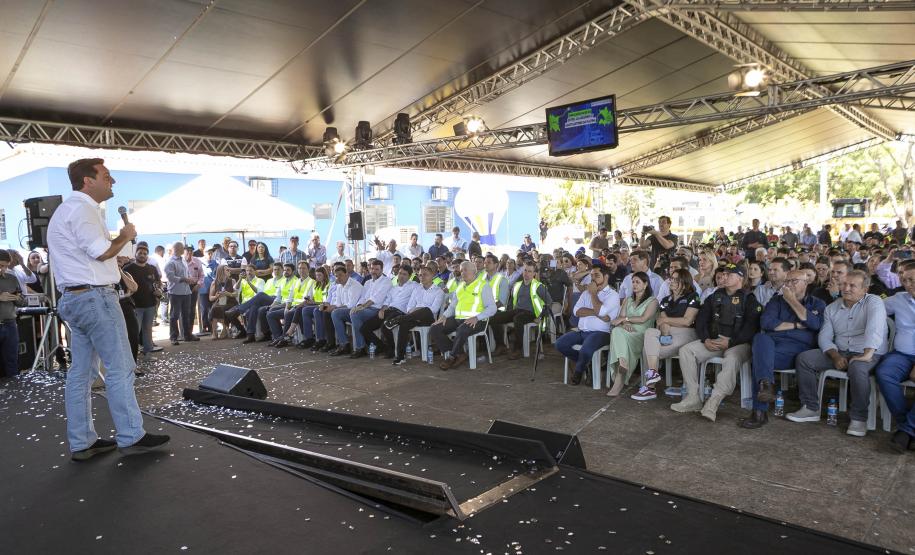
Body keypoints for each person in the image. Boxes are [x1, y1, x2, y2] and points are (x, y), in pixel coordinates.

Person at [47, 158, 168, 460]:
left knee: (81, 374)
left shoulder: (67, 211)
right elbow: (101, 251)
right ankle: (131, 435)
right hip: (95, 299)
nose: (112, 181)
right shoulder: (83, 210)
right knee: (121, 367)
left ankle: (82, 441)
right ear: (88, 181)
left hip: (76, 299)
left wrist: (115, 258)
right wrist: (124, 237)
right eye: (106, 176)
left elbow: (91, 255)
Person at [786, 270, 887, 437]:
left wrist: (867, 354)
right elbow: (825, 337)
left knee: (857, 367)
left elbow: (874, 329)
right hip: (840, 351)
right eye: (844, 284)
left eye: (852, 285)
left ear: (865, 289)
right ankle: (810, 408)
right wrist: (835, 356)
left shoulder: (874, 302)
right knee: (805, 359)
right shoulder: (832, 308)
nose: (846, 288)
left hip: (869, 352)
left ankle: (859, 418)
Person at [673, 264, 761, 422]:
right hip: (713, 341)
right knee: (686, 351)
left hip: (738, 344)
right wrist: (705, 339)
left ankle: (713, 402)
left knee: (732, 359)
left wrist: (732, 342)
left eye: (729, 275)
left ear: (740, 278)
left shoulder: (749, 299)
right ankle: (693, 397)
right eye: (723, 274)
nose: (724, 277)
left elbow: (751, 327)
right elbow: (701, 320)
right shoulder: (714, 296)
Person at [740, 270, 826, 429]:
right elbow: (766, 323)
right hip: (771, 345)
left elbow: (815, 324)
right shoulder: (777, 301)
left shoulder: (817, 303)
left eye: (795, 281)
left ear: (806, 283)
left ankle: (760, 412)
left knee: (760, 359)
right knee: (760, 339)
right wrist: (796, 325)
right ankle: (766, 385)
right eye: (788, 281)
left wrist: (792, 301)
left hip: (797, 350)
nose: (789, 284)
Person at [632, 268, 700, 401]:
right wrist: (666, 327)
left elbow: (687, 321)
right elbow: (661, 322)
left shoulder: (693, 297)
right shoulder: (664, 300)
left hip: (688, 333)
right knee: (650, 333)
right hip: (668, 333)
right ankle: (652, 374)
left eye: (676, 279)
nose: (671, 281)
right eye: (671, 278)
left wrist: (667, 321)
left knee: (649, 349)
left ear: (685, 282)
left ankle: (649, 387)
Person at [557, 263, 621, 385]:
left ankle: (578, 371)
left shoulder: (613, 295)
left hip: (601, 333)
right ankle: (586, 363)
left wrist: (593, 294)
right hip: (582, 331)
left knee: (586, 349)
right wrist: (598, 314)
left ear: (606, 277)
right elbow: (576, 311)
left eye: (597, 275)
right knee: (560, 344)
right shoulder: (586, 293)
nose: (593, 279)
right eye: (592, 276)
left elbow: (601, 311)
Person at [876, 265, 915, 452]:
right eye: (905, 280)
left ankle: (905, 432)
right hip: (901, 354)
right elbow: (875, 304)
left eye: (912, 280)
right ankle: (907, 427)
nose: (908, 285)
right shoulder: (899, 298)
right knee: (884, 373)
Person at [431, 260, 497, 370]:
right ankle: (460, 353)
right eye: (461, 271)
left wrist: (477, 317)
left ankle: (451, 357)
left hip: (478, 321)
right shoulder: (460, 286)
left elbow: (492, 308)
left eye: (465, 270)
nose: (463, 273)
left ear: (474, 271)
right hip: (459, 319)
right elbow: (452, 306)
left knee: (462, 330)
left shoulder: (483, 286)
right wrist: (444, 316)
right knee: (434, 329)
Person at [606, 272, 658, 397]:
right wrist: (624, 323)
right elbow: (620, 318)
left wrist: (626, 320)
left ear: (645, 284)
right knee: (617, 330)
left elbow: (643, 319)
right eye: (633, 282)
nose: (634, 284)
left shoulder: (653, 301)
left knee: (618, 332)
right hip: (625, 331)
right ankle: (623, 363)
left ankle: (619, 380)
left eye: (637, 282)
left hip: (642, 334)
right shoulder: (628, 300)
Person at [382, 264, 445, 365]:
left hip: (428, 318)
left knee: (425, 310)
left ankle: (398, 319)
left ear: (432, 275)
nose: (422, 277)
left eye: (425, 275)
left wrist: (418, 309)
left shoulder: (438, 291)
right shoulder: (417, 289)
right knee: (404, 325)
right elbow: (409, 307)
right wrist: (414, 310)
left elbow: (433, 310)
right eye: (420, 275)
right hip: (412, 317)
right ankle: (400, 357)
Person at [494, 260, 552, 359]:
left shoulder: (538, 286)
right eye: (525, 270)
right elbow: (512, 301)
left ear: (534, 274)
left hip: (532, 313)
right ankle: (501, 345)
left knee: (518, 319)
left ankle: (518, 349)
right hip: (518, 310)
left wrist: (541, 316)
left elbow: (549, 302)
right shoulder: (517, 285)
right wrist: (507, 312)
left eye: (530, 271)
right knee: (495, 317)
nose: (526, 273)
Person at [359, 265, 418, 357]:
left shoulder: (414, 286)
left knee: (385, 326)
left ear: (410, 276)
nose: (401, 276)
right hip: (388, 310)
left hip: (400, 312)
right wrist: (382, 309)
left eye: (404, 274)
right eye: (400, 273)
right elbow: (387, 301)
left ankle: (392, 350)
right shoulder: (393, 288)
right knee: (364, 328)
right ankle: (382, 346)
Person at [345, 259, 392, 358]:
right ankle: (345, 344)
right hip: (366, 309)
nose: (373, 271)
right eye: (372, 269)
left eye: (376, 269)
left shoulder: (386, 281)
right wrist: (358, 306)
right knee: (339, 313)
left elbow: (376, 298)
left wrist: (362, 307)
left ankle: (360, 347)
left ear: (382, 270)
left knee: (355, 314)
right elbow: (362, 297)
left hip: (377, 310)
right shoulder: (368, 282)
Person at [124, 245, 161, 361]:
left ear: (147, 255)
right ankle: (132, 358)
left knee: (148, 330)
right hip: (135, 306)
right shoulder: (128, 269)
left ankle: (148, 354)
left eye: (145, 253)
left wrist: (159, 290)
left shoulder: (152, 268)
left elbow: (158, 282)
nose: (142, 255)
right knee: (134, 332)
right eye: (140, 253)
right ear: (135, 254)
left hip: (150, 304)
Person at [325, 265, 364, 356]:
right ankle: (330, 342)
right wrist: (329, 307)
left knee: (335, 313)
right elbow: (338, 303)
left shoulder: (354, 285)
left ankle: (344, 344)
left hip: (356, 311)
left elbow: (351, 305)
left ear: (346, 274)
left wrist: (335, 308)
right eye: (336, 276)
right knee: (324, 312)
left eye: (340, 275)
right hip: (346, 311)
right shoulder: (339, 286)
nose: (338, 278)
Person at [164, 242, 197, 345]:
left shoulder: (182, 260)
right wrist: (184, 279)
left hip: (186, 292)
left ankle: (187, 335)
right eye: (182, 248)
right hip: (175, 292)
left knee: (186, 314)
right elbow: (170, 277)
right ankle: (174, 337)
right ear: (177, 249)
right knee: (174, 315)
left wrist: (189, 279)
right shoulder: (170, 262)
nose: (184, 249)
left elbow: (185, 273)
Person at [0, 250, 25, 379]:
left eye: (4, 266)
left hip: (10, 324)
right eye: (0, 265)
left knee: (12, 361)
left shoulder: (12, 279)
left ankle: (15, 393)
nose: (2, 269)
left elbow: (21, 302)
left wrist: (17, 298)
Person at [208, 265, 241, 337]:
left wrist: (227, 293)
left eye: (229, 270)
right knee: (214, 308)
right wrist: (216, 296)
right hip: (219, 301)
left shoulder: (232, 281)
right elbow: (210, 298)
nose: (230, 271)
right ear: (221, 272)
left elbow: (236, 294)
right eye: (227, 270)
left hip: (231, 301)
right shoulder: (214, 283)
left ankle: (224, 329)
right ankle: (214, 331)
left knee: (223, 308)